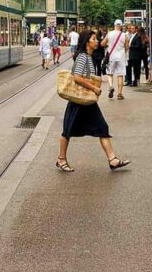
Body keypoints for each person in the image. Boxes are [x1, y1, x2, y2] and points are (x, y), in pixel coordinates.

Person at [56, 30, 131, 172]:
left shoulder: (88, 57)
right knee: (67, 130)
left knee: (102, 128)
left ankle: (113, 159)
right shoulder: (83, 57)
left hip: (86, 101)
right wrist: (94, 88)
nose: (97, 41)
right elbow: (77, 77)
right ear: (87, 42)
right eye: (94, 39)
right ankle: (61, 159)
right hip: (79, 101)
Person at [101, 20, 128, 100]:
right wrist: (123, 51)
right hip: (121, 57)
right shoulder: (124, 35)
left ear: (114, 25)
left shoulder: (109, 34)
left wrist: (108, 43)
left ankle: (111, 86)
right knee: (120, 75)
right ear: (121, 26)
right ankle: (119, 94)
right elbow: (127, 47)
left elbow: (102, 44)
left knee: (110, 73)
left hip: (111, 56)